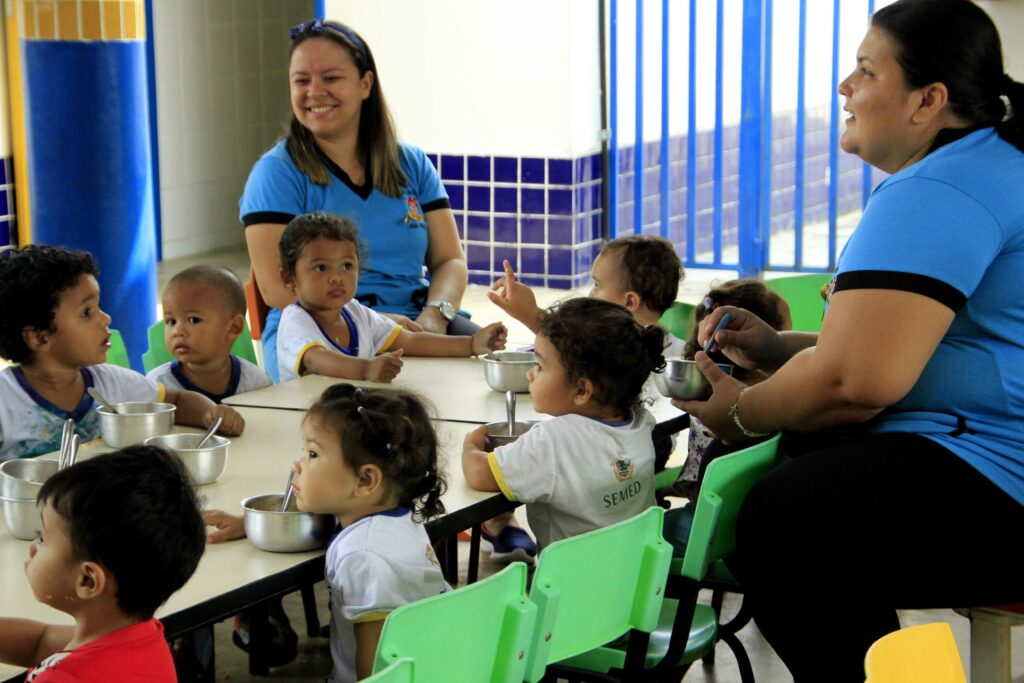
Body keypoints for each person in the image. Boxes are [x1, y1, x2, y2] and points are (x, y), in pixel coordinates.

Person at [676, 1, 1024, 678]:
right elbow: (920, 345)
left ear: (928, 100)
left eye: (865, 71)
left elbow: (854, 384)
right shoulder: (996, 159)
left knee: (790, 520)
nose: (845, 87)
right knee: (812, 452)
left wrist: (738, 412)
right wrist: (785, 349)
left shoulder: (940, 188)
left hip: (1006, 484)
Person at [240, 19, 476, 383]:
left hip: (415, 322)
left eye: (331, 78)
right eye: (301, 81)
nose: (315, 92)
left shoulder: (410, 163)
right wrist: (364, 324)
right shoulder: (277, 172)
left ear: (365, 84)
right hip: (324, 330)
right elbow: (276, 287)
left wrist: (436, 315)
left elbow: (450, 260)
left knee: (499, 372)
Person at [203, 384, 450, 682]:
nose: (297, 465)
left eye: (312, 453)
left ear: (365, 479)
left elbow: (376, 670)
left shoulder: (364, 558)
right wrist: (250, 523)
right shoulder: (394, 516)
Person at [0, 246, 245, 461]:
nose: (105, 318)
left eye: (99, 307)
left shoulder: (113, 383)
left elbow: (177, 402)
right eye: (87, 312)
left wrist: (210, 413)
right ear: (40, 337)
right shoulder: (5, 401)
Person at [462, 298, 666, 551]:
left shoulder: (553, 441)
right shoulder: (640, 422)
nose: (530, 374)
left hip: (571, 587)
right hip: (634, 579)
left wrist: (470, 444)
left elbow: (479, 474)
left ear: (582, 389)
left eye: (540, 366)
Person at [0, 445, 206, 681]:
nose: (32, 548)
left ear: (87, 580)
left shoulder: (63, 678)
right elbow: (39, 643)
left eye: (42, 537)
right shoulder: (140, 636)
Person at [275, 212, 506, 383]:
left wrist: (471, 344)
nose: (337, 277)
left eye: (347, 266)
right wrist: (367, 370)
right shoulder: (295, 321)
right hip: (309, 428)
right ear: (290, 278)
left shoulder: (356, 313)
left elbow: (409, 340)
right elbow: (317, 359)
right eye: (321, 268)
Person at [661, 279, 791, 556]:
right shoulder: (780, 403)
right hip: (757, 533)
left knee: (637, 529)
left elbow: (699, 492)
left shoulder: (708, 401)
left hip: (706, 534)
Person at [489, 233, 686, 356]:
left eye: (597, 285)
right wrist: (529, 311)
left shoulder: (614, 350)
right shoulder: (676, 348)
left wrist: (530, 314)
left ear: (629, 301)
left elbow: (566, 341)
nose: (591, 294)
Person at [147, 265, 272, 402]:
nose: (177, 331)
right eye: (171, 322)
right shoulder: (157, 387)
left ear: (233, 328)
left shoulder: (254, 382)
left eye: (193, 320)